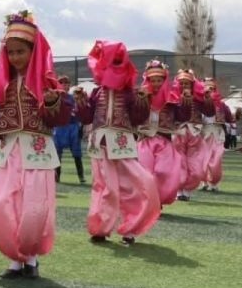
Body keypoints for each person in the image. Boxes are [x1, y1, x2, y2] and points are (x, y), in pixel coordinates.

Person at [0, 10, 71, 280]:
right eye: (10, 52)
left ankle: (31, 259)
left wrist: (51, 101)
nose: (15, 58)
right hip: (9, 149)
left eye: (20, 52)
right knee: (0, 200)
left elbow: (61, 117)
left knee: (34, 206)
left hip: (37, 150)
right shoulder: (1, 85)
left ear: (33, 51)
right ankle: (15, 257)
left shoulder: (48, 82)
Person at [74, 40, 157, 245]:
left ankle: (130, 228)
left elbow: (138, 118)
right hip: (100, 144)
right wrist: (81, 102)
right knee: (104, 187)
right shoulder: (97, 92)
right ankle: (101, 228)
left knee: (133, 185)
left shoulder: (129, 92)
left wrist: (144, 100)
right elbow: (86, 118)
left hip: (122, 144)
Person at [136, 61, 187, 207]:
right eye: (153, 80)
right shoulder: (141, 96)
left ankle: (158, 197)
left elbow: (182, 116)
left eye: (159, 80)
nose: (156, 83)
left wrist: (186, 102)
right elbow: (135, 116)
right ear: (148, 80)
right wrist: (140, 101)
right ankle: (149, 202)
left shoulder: (173, 98)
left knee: (163, 172)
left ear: (165, 80)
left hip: (164, 140)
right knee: (145, 173)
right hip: (145, 140)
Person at [173, 69, 215, 201]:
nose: (185, 86)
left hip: (195, 131)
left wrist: (207, 99)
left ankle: (188, 188)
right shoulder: (172, 97)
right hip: (178, 131)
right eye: (182, 83)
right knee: (179, 161)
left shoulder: (198, 98)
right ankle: (179, 190)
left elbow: (209, 112)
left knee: (195, 164)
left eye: (187, 83)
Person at [200, 77, 233, 191]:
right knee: (203, 158)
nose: (210, 92)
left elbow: (229, 118)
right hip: (203, 133)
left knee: (216, 159)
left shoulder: (222, 105)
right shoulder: (199, 103)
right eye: (207, 89)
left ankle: (214, 183)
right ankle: (204, 182)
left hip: (217, 133)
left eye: (212, 89)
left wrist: (235, 116)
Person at [53, 76, 86, 184]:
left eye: (67, 84)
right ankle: (57, 177)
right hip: (59, 127)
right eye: (63, 83)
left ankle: (81, 176)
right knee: (57, 153)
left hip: (72, 127)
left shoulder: (73, 97)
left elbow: (79, 110)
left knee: (77, 152)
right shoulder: (55, 97)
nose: (65, 86)